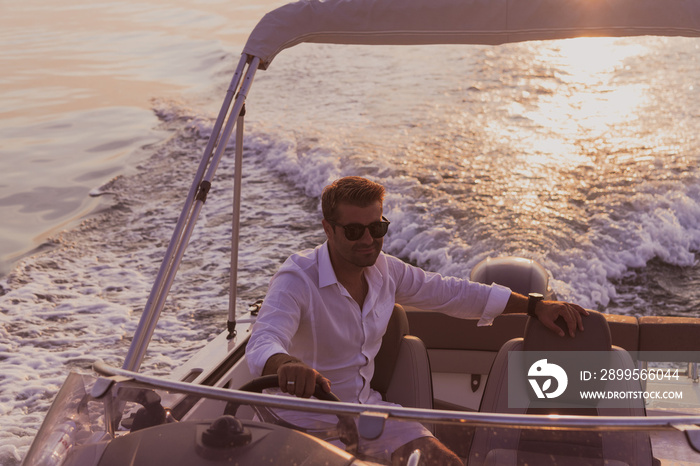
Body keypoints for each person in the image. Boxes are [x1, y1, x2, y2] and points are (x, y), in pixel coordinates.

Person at [246, 176, 588, 465]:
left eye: (376, 228)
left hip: (368, 414)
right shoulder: (296, 279)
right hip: (300, 423)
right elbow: (263, 341)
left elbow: (450, 293)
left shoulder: (385, 270)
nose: (368, 240)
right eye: (353, 231)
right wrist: (288, 364)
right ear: (328, 229)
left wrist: (534, 306)